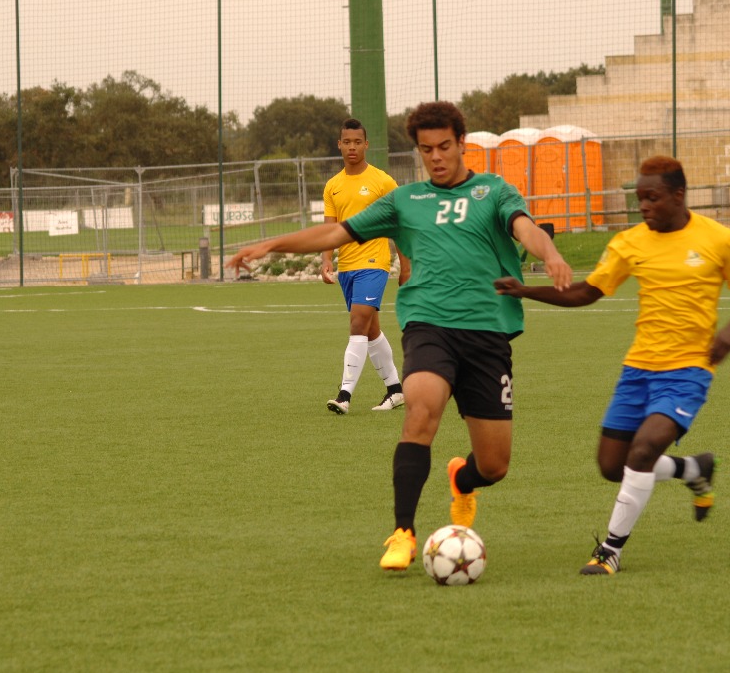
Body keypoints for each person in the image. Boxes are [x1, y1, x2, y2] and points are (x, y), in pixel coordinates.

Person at [229, 101, 573, 571]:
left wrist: (550, 253)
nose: (436, 157)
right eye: (426, 149)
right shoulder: (405, 201)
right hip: (429, 326)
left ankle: (462, 480)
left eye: (444, 146)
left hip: (487, 334)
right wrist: (271, 243)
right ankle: (403, 533)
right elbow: (335, 234)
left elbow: (525, 228)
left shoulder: (493, 190)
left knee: (494, 465)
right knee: (420, 406)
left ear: (461, 144)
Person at [495, 155, 730, 576]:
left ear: (679, 195)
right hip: (638, 369)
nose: (644, 206)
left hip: (688, 370)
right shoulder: (629, 242)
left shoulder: (719, 239)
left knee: (643, 449)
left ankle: (610, 550)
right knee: (612, 467)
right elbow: (586, 292)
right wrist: (525, 291)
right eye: (640, 199)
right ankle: (693, 468)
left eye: (653, 198)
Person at [320, 118, 411, 415]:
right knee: (371, 331)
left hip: (374, 264)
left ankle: (344, 395)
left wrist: (405, 265)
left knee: (357, 324)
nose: (352, 147)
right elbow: (330, 229)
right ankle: (395, 390)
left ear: (366, 145)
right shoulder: (333, 186)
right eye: (347, 142)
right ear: (339, 145)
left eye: (357, 142)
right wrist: (326, 260)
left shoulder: (382, 182)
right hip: (347, 267)